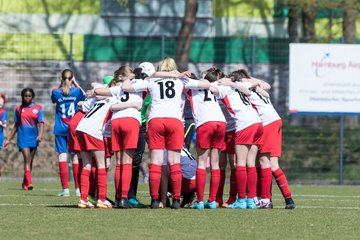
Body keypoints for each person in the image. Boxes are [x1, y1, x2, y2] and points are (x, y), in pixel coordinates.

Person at [122, 57, 209, 209]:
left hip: (156, 120)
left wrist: (149, 76)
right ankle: (176, 200)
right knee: (174, 162)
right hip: (174, 121)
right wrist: (180, 74)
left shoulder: (151, 81)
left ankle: (155, 200)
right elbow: (206, 84)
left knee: (156, 162)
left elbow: (126, 87)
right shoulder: (182, 80)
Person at [229, 69, 296, 209]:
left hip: (268, 123)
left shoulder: (244, 88)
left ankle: (266, 200)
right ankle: (285, 199)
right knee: (269, 163)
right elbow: (266, 86)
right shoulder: (256, 87)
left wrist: (238, 81)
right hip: (274, 120)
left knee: (265, 162)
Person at [93, 66, 144, 208]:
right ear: (126, 75)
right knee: (127, 161)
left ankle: (118, 196)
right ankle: (123, 198)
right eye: (131, 72)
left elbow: (98, 90)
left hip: (116, 122)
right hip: (130, 121)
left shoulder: (118, 87)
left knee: (119, 162)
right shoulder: (139, 85)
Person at [210, 72, 263, 209]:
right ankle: (251, 200)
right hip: (257, 122)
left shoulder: (220, 85)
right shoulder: (238, 85)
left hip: (244, 124)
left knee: (239, 163)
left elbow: (211, 88)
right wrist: (235, 82)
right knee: (250, 163)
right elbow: (256, 83)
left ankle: (241, 200)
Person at [185, 69, 226, 210]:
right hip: (221, 122)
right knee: (215, 164)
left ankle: (201, 201)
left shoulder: (193, 85)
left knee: (201, 163)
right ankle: (212, 201)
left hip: (205, 123)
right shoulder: (216, 86)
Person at [51, 69, 86, 197]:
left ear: (61, 78)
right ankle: (77, 189)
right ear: (72, 79)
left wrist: (62, 83)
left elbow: (54, 99)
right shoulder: (76, 91)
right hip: (73, 128)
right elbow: (84, 95)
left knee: (62, 156)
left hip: (60, 128)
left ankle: (65, 189)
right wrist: (75, 83)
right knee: (75, 157)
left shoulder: (56, 92)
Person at [4, 88, 45, 190]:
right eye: (25, 96)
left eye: (29, 96)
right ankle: (30, 183)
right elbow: (16, 126)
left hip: (34, 138)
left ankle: (24, 183)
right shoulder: (19, 109)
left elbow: (41, 123)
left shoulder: (38, 108)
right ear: (22, 97)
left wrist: (40, 135)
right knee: (27, 159)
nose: (27, 98)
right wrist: (8, 139)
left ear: (32, 97)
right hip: (22, 138)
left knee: (30, 161)